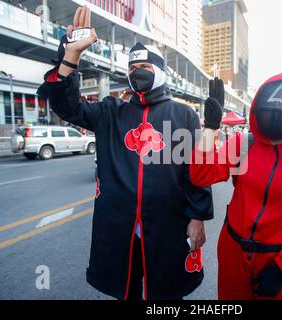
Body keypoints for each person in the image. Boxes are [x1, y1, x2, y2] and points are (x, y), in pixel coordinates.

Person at [37, 6, 213, 300]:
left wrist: (198, 218)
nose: (136, 74)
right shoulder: (110, 111)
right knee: (125, 290)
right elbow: (67, 107)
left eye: (144, 69)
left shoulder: (183, 115)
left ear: (159, 73)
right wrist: (71, 57)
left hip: (168, 226)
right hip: (120, 227)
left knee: (166, 294)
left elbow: (195, 172)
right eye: (132, 70)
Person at [190, 74, 282, 300]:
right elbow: (201, 175)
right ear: (257, 110)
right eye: (270, 111)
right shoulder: (242, 144)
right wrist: (210, 128)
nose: (276, 118)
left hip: (281, 261)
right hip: (233, 254)